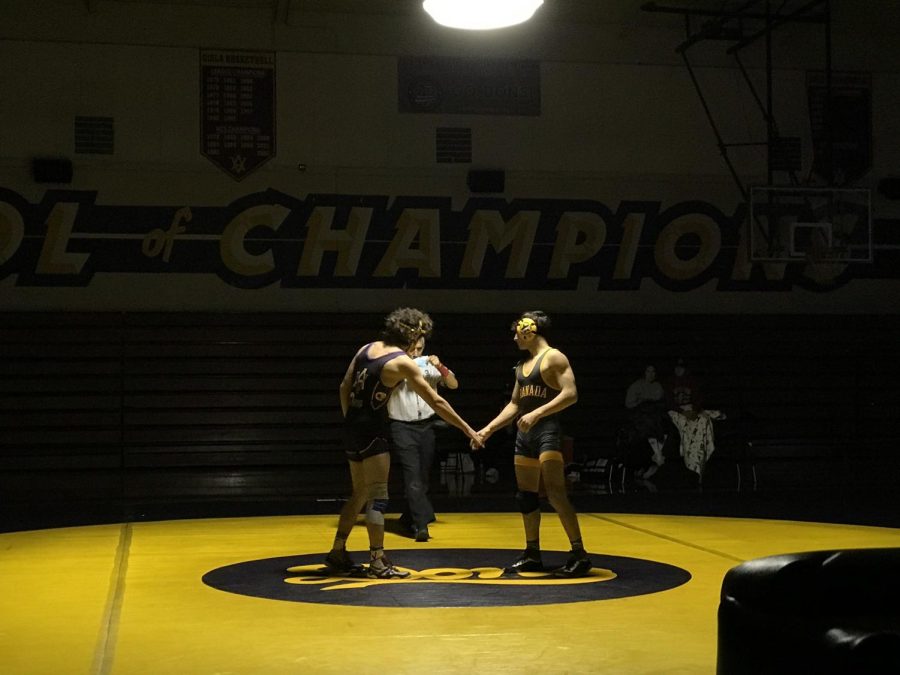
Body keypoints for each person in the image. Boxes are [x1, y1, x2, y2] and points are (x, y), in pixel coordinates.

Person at [325, 307, 483, 578]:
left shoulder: (367, 348)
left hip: (351, 428)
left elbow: (344, 386)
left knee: (359, 493)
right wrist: (468, 429)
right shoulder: (402, 362)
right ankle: (377, 561)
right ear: (412, 336)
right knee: (378, 496)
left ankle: (338, 550)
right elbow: (437, 401)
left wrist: (351, 420)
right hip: (374, 432)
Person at [474, 311, 592, 578]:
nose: (515, 337)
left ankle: (579, 553)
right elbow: (515, 404)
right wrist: (487, 430)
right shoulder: (521, 366)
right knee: (525, 497)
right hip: (525, 437)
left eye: (517, 332)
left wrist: (538, 413)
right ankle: (532, 553)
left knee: (555, 494)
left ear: (530, 331)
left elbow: (571, 394)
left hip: (547, 434)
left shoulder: (554, 357)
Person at [388, 333, 458, 542]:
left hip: (426, 425)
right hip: (401, 425)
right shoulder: (393, 366)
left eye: (418, 349)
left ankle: (409, 516)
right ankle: (421, 526)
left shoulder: (428, 364)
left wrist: (440, 367)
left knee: (424, 477)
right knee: (412, 476)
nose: (414, 353)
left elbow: (453, 384)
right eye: (410, 349)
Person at [664, 358, 725, 481]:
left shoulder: (692, 381)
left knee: (703, 421)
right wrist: (683, 412)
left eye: (681, 367)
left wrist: (694, 410)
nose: (678, 369)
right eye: (676, 367)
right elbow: (668, 402)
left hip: (691, 409)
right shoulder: (670, 382)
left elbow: (698, 399)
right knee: (686, 425)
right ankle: (691, 464)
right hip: (677, 411)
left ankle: (701, 463)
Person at [624, 364, 668, 479]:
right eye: (648, 371)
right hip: (639, 418)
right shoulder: (636, 386)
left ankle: (655, 457)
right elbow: (629, 403)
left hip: (654, 417)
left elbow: (659, 400)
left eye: (653, 372)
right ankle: (651, 460)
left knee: (657, 427)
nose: (651, 374)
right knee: (643, 431)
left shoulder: (658, 386)